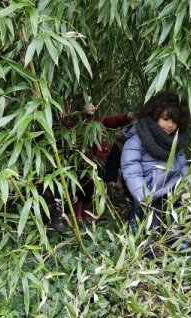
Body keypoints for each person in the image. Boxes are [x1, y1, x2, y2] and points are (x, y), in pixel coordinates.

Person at [44, 96, 132, 232]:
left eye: (93, 103)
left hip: (96, 165)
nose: (92, 106)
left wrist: (128, 116)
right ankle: (77, 219)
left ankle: (85, 217)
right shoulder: (73, 124)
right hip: (80, 164)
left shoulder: (96, 121)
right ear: (79, 105)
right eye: (88, 103)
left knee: (90, 191)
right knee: (80, 190)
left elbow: (112, 120)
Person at [120, 91, 191, 255]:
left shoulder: (175, 142)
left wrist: (187, 187)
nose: (170, 125)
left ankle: (174, 236)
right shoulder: (138, 139)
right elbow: (131, 169)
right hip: (148, 190)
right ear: (154, 115)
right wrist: (142, 194)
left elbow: (182, 166)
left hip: (170, 188)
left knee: (174, 212)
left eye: (175, 121)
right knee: (149, 219)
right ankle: (145, 242)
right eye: (166, 119)